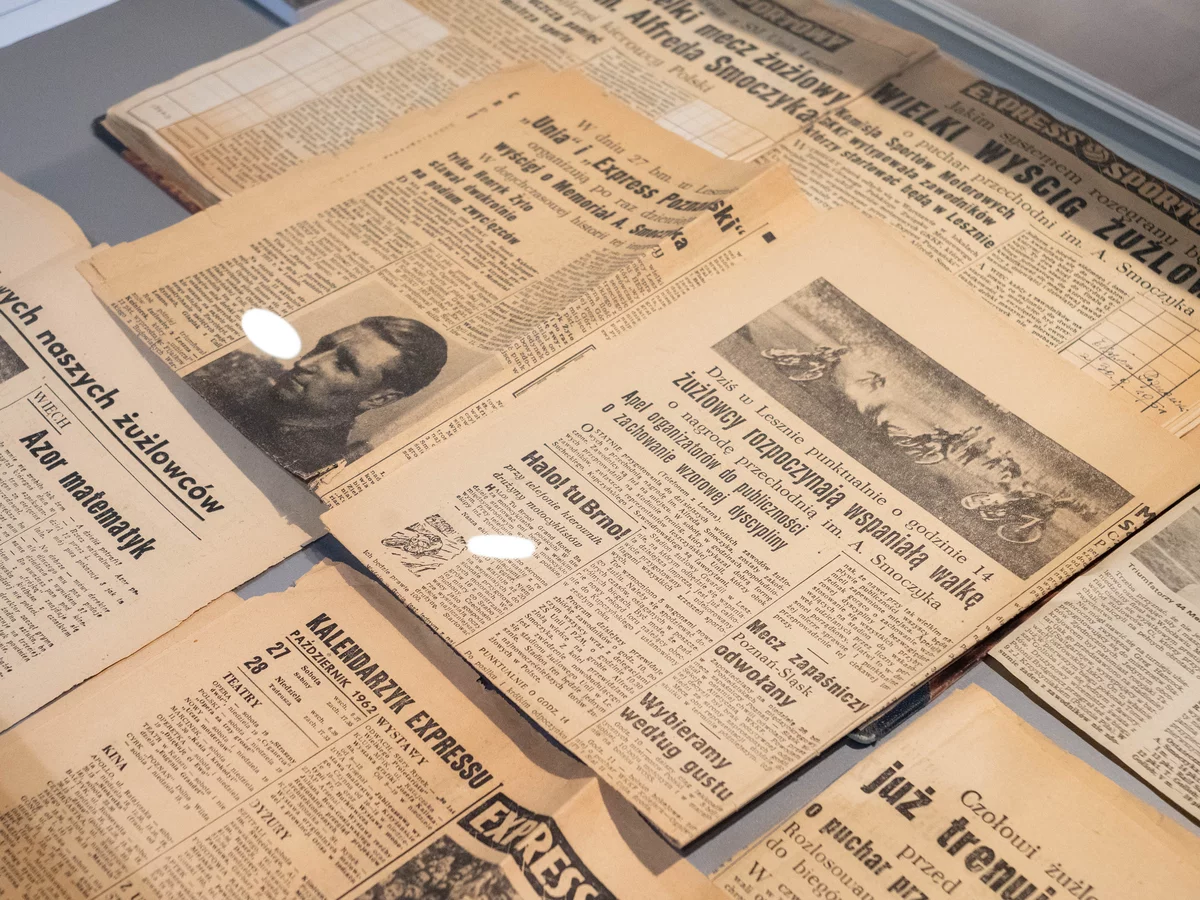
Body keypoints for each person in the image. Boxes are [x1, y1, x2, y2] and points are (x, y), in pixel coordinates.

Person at [186, 316, 447, 477]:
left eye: (343, 365)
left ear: (378, 399)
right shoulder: (247, 387)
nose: (305, 363)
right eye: (323, 347)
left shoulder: (310, 465)